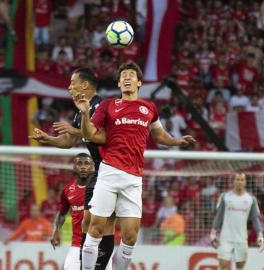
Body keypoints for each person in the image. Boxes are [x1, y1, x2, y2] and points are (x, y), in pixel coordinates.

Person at [72, 61, 195, 270]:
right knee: (96, 229)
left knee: (130, 237)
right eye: (124, 76)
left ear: (138, 82)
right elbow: (89, 134)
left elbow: (160, 135)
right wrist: (84, 113)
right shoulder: (108, 105)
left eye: (131, 75)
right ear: (119, 83)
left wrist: (176, 141)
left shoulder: (149, 108)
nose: (127, 78)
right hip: (109, 173)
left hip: (133, 178)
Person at [29, 68, 115, 269]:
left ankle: (103, 265)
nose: (69, 87)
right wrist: (48, 139)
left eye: (72, 82)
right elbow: (69, 141)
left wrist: (74, 130)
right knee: (88, 223)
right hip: (99, 173)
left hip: (112, 171)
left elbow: (106, 137)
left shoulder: (103, 106)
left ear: (84, 85)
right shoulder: (82, 110)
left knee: (103, 225)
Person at [210, 173, 264, 270]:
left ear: (245, 182)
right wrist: (213, 233)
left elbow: (255, 219)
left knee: (240, 267)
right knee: (222, 265)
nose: (240, 182)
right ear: (233, 181)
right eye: (237, 179)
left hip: (241, 238)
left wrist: (260, 235)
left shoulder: (251, 199)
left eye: (242, 180)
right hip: (226, 238)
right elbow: (219, 216)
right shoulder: (225, 197)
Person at [51, 153, 94, 270]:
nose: (83, 167)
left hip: (98, 243)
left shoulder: (101, 187)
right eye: (79, 163)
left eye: (87, 163)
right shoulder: (67, 190)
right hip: (77, 243)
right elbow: (62, 213)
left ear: (92, 166)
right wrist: (56, 231)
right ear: (74, 167)